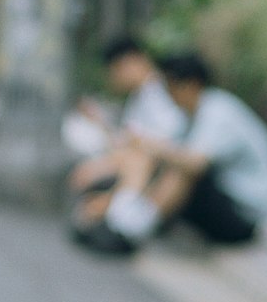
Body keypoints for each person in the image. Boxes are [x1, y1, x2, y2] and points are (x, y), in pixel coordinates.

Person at [73, 50, 267, 255]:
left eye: (170, 87)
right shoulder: (191, 115)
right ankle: (121, 221)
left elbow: (195, 163)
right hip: (226, 202)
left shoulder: (217, 111)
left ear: (191, 84)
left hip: (246, 216)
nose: (168, 95)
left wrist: (151, 146)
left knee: (183, 169)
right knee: (162, 160)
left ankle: (130, 229)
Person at [63, 35, 180, 205]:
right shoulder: (139, 96)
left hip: (156, 173)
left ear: (128, 63)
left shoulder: (163, 91)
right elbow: (127, 141)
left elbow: (158, 146)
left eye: (113, 72)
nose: (112, 79)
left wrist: (104, 168)